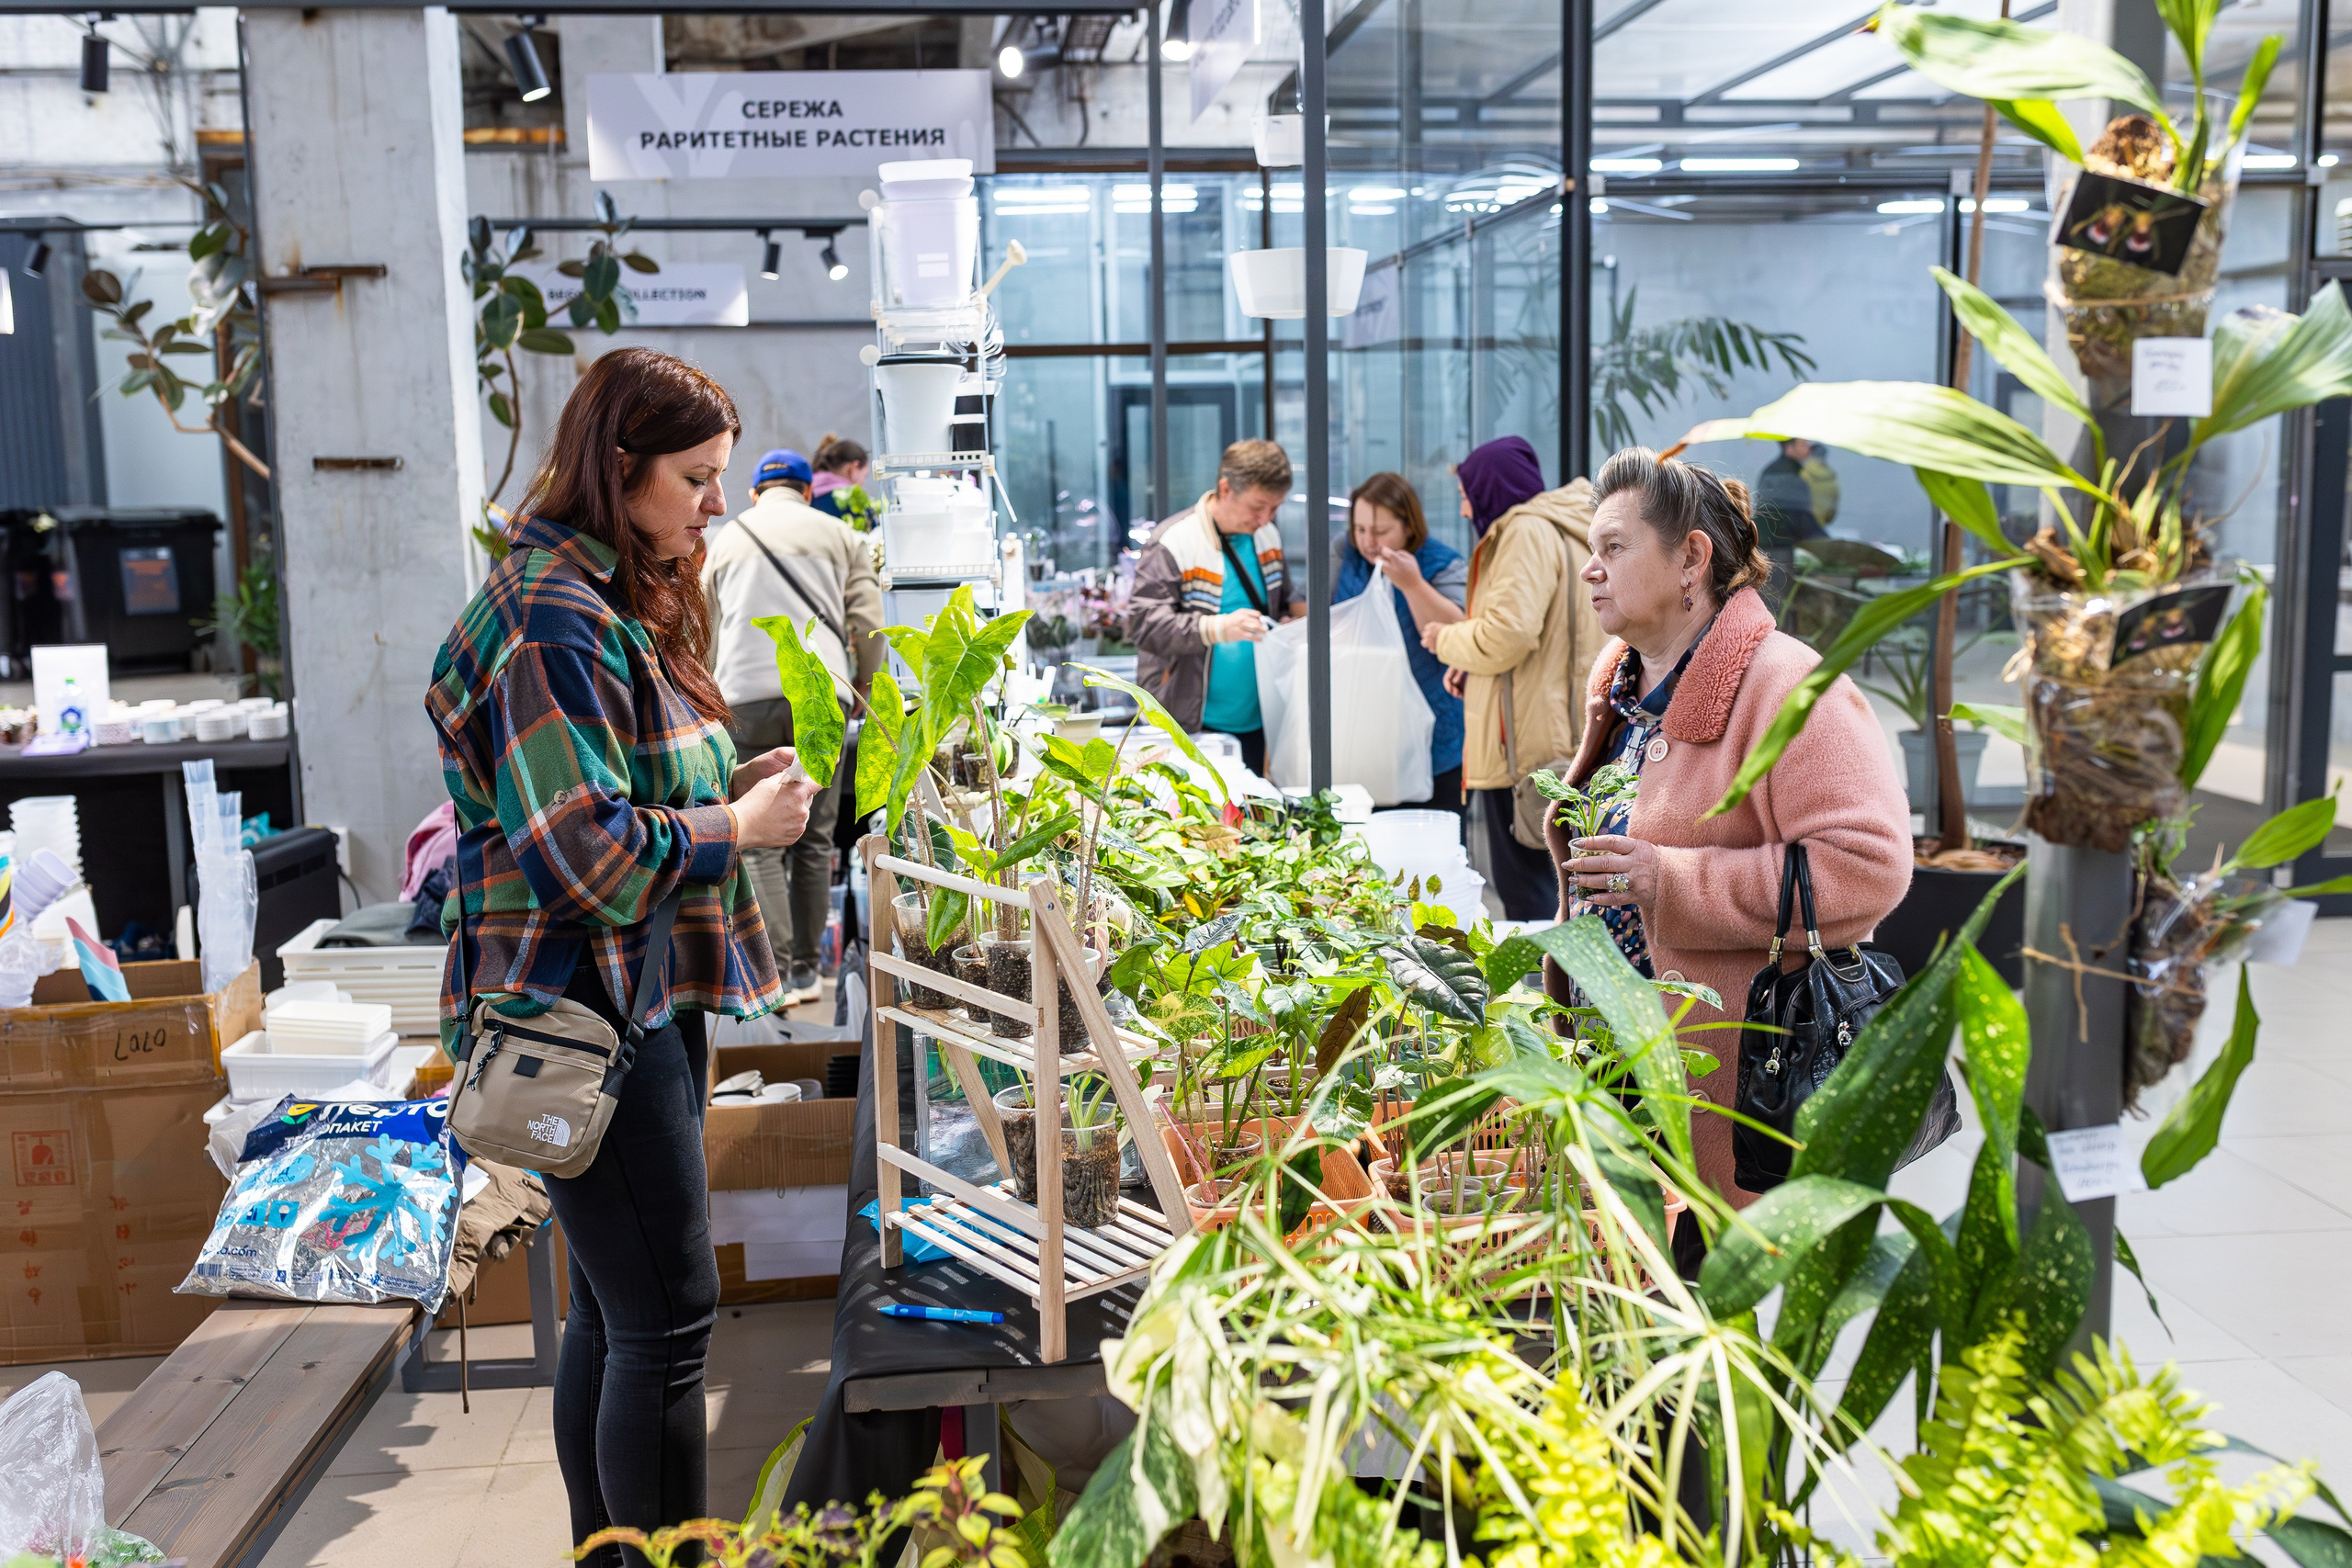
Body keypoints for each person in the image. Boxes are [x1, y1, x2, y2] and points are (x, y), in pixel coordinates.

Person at [427, 347, 822, 1561]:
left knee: (613, 1309)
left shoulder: (581, 591)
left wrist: (728, 780)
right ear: (619, 466)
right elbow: (582, 851)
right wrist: (736, 828)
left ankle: (609, 1551)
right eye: (696, 478)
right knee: (665, 1320)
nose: (715, 501)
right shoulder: (550, 611)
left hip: (604, 998)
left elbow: (612, 777)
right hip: (580, 1006)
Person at [1542, 445, 1910, 1207]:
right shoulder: (1617, 678)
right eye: (1591, 550)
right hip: (1612, 1070)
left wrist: (1668, 879)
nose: (1590, 569)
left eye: (1613, 547)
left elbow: (1869, 864)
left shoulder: (1789, 687)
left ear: (1691, 560)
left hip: (1726, 1086)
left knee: (1696, 1294)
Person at [701, 446, 884, 1004]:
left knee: (755, 837)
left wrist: (710, 696)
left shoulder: (725, 540)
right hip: (821, 693)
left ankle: (775, 973)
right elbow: (869, 622)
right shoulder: (841, 537)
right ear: (808, 491)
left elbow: (703, 631)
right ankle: (809, 968)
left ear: (755, 493)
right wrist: (864, 688)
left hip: (744, 695)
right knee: (815, 837)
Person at [1422, 436, 1600, 919]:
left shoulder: (1524, 529)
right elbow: (1542, 643)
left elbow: (1509, 634)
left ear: (1490, 490)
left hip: (1522, 750)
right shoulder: (1569, 528)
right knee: (1560, 892)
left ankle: (1545, 996)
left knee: (1530, 899)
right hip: (1553, 735)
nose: (1463, 509)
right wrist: (1474, 671)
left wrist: (1445, 639)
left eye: (1466, 493)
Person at [1127, 438, 1302, 774]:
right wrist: (1218, 627)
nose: (1266, 518)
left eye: (1275, 508)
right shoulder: (1174, 541)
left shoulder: (1267, 537)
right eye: (1258, 506)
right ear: (1226, 489)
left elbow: (1281, 603)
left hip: (1255, 719)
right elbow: (1144, 623)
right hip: (1188, 722)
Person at [1334, 471, 1468, 809]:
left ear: (1409, 526)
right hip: (1365, 731)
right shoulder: (1344, 556)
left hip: (1433, 733)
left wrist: (1412, 585)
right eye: (1360, 529)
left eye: (1380, 532)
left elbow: (1460, 634)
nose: (1368, 541)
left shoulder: (1442, 564)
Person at [1751, 437, 1828, 611]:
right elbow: (1799, 518)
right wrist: (1826, 545)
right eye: (1803, 443)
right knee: (1777, 606)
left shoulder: (1774, 471)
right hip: (1778, 550)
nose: (1808, 447)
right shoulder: (1787, 476)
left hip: (1767, 546)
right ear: (1789, 448)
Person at [808, 434, 875, 528]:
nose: (863, 483)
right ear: (853, 468)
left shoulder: (807, 493)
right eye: (864, 476)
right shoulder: (853, 500)